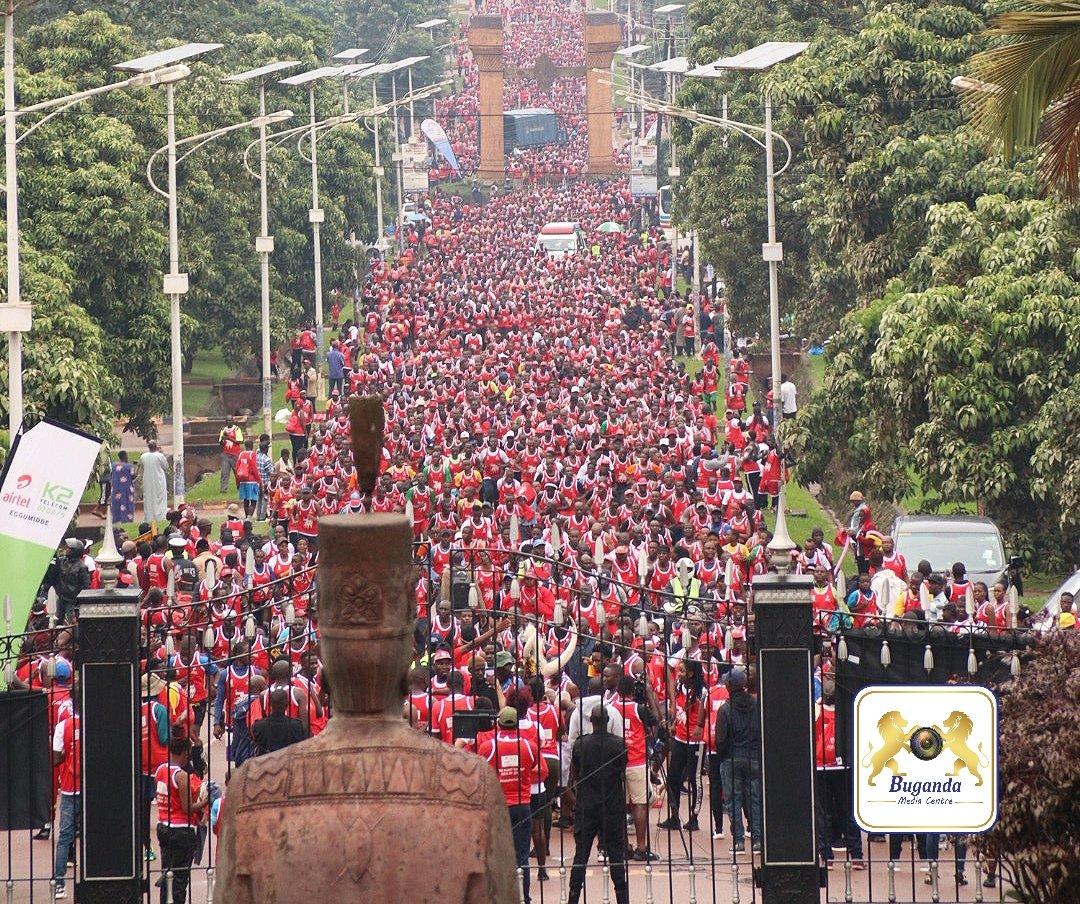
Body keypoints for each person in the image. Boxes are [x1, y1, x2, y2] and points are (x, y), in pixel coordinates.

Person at [478, 705, 546, 904]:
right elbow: (535, 768)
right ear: (517, 724)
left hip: (498, 807)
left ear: (498, 724)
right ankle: (524, 897)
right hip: (522, 806)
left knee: (495, 853)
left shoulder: (488, 747)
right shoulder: (529, 746)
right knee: (522, 854)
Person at [566, 705, 629, 904]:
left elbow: (575, 772)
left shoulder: (580, 744)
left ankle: (573, 898)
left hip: (587, 804)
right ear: (608, 720)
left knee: (581, 856)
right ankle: (622, 898)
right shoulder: (619, 745)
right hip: (611, 804)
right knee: (616, 855)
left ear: (591, 721)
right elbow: (621, 770)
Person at [154, 729, 208, 904]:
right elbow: (188, 808)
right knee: (180, 878)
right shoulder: (182, 776)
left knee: (167, 873)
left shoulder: (161, 770)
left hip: (163, 825)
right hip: (181, 830)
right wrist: (205, 801)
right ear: (185, 752)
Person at [714, 668, 762, 853]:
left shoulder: (725, 709)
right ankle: (758, 840)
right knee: (755, 799)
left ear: (728, 686)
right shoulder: (756, 704)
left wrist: (724, 755)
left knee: (733, 799)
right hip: (753, 756)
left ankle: (739, 841)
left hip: (732, 758)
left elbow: (720, 740)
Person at [51, 686, 80, 900]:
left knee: (64, 837)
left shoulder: (63, 726)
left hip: (70, 788)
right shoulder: (95, 723)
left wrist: (66, 755)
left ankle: (59, 882)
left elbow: (55, 759)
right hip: (92, 790)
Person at [251, 687, 307, 754]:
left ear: (270, 704)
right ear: (287, 704)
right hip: (288, 762)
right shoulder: (297, 726)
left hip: (266, 762)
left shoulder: (258, 726)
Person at [140, 441, 169, 523]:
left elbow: (142, 466)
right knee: (160, 498)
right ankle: (160, 516)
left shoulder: (143, 456)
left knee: (149, 498)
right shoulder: (160, 456)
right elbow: (166, 466)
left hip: (147, 481)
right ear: (156, 446)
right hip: (159, 480)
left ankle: (149, 517)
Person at [218, 415, 244, 494]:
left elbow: (240, 441)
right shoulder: (223, 430)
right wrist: (223, 439)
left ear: (233, 421)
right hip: (225, 454)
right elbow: (221, 443)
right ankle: (223, 490)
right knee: (224, 473)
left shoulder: (236, 429)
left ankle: (239, 487)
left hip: (235, 454)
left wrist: (229, 438)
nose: (229, 422)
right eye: (227, 421)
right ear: (225, 422)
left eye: (230, 420)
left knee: (237, 472)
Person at [235, 439, 260, 519]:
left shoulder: (241, 454)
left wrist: (237, 482)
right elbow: (254, 468)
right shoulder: (252, 454)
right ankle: (249, 518)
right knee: (253, 500)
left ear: (245, 446)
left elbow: (237, 469)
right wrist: (259, 481)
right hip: (251, 481)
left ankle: (246, 518)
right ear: (252, 445)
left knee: (246, 501)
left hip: (242, 481)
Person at [110, 451, 135, 524]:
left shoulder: (114, 465)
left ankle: (116, 518)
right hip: (126, 489)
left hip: (116, 489)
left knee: (116, 504)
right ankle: (127, 519)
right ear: (125, 456)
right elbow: (133, 476)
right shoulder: (129, 466)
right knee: (127, 504)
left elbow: (112, 474)